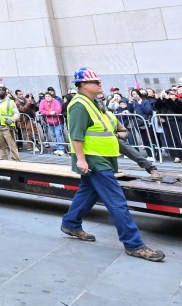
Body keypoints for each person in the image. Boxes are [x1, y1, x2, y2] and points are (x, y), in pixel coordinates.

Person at [60, 67, 165, 261]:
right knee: (116, 201)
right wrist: (82, 159)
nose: (100, 84)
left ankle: (71, 223)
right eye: (96, 82)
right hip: (94, 160)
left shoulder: (93, 103)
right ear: (83, 85)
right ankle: (134, 245)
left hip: (102, 157)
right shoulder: (79, 105)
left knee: (87, 192)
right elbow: (76, 135)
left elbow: (109, 135)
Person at [0, 86, 21, 161]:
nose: (1, 91)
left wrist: (12, 119)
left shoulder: (10, 101)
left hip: (8, 127)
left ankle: (16, 162)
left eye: (3, 89)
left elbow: (17, 114)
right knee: (0, 146)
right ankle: (4, 161)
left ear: (5, 91)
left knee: (12, 146)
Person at [39, 88, 66, 155]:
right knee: (53, 135)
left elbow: (58, 110)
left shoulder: (56, 101)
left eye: (49, 96)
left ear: (52, 97)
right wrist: (49, 113)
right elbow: (41, 110)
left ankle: (62, 148)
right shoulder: (43, 102)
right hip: (49, 121)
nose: (47, 98)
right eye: (46, 96)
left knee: (58, 134)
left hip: (58, 121)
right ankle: (57, 148)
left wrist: (54, 112)